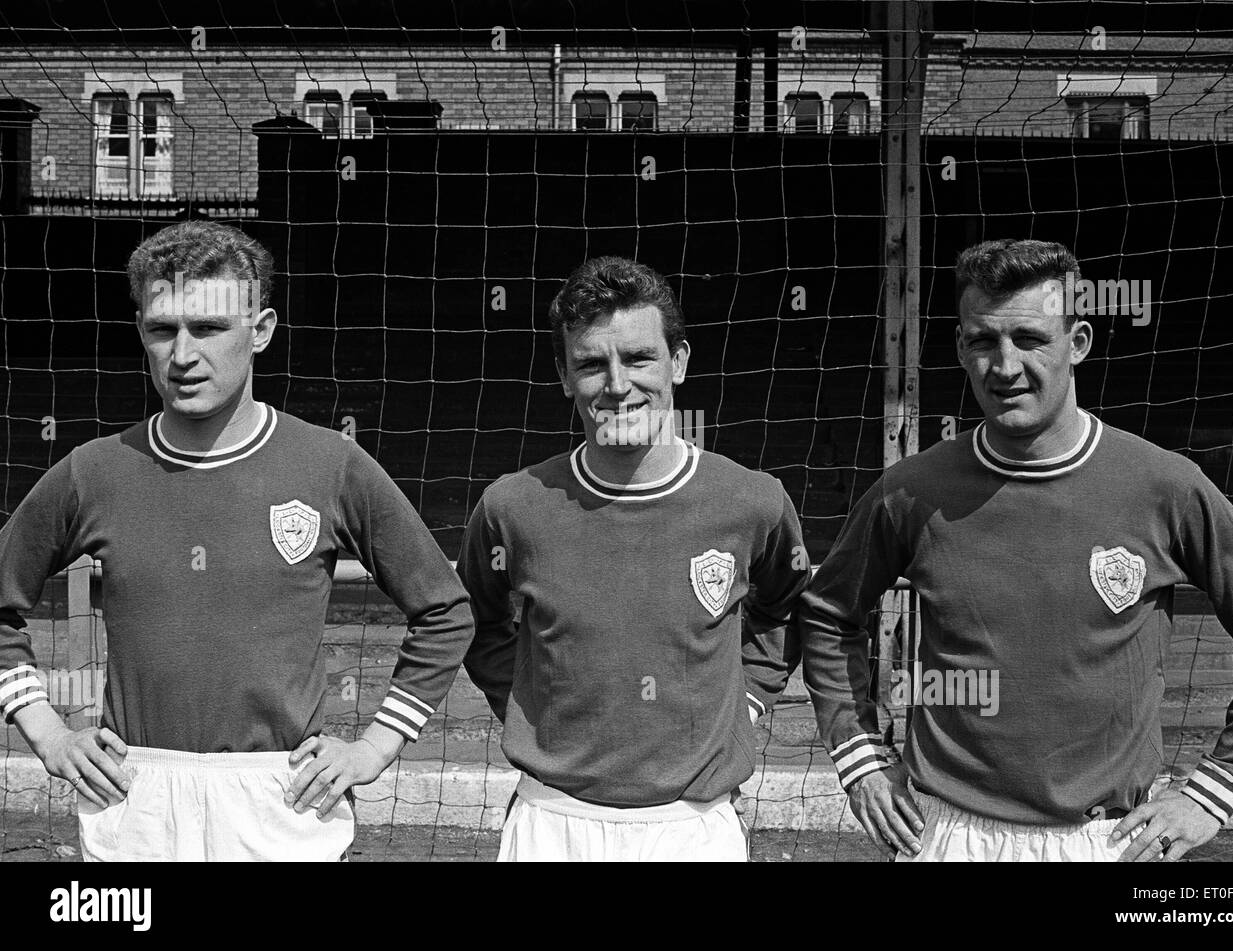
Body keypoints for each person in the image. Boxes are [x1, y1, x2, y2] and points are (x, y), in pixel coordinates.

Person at [798, 238, 1233, 862]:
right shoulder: (911, 491)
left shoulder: (1164, 485)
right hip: (948, 833)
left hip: (1107, 840)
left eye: (1030, 339)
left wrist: (1209, 795)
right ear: (961, 347)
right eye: (983, 341)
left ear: (1078, 343)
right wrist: (862, 756)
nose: (1004, 366)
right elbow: (827, 613)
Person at [0, 221, 476, 861]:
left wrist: (374, 747)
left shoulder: (331, 466)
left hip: (281, 799)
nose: (183, 355)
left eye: (209, 329)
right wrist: (51, 735)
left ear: (261, 330)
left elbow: (445, 611)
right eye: (162, 329)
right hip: (134, 798)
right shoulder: (94, 472)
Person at [456, 256, 809, 861]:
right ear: (565, 377)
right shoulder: (511, 506)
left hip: (694, 826)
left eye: (639, 358)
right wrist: (527, 703)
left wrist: (744, 703)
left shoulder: (752, 500)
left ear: (679, 362)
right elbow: (474, 618)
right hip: (552, 821)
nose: (617, 385)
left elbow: (786, 607)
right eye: (592, 364)